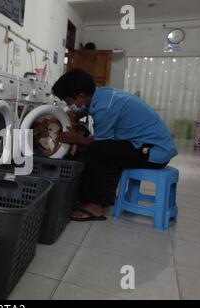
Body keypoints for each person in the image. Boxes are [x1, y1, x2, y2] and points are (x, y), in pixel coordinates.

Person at [52, 69, 178, 221]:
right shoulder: (103, 95)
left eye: (68, 101)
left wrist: (76, 138)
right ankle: (106, 196)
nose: (68, 105)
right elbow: (88, 110)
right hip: (150, 145)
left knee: (95, 151)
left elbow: (99, 142)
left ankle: (94, 205)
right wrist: (76, 115)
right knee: (108, 151)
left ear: (81, 96)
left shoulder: (105, 107)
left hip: (154, 152)